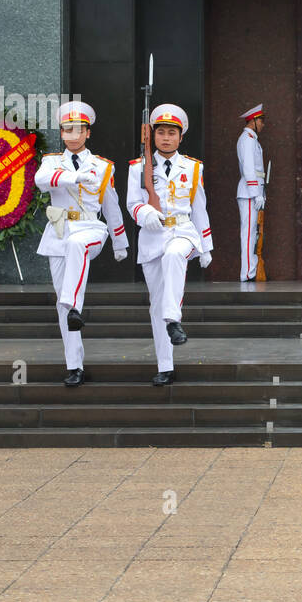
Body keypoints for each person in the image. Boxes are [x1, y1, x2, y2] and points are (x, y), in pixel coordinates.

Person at [34, 100, 129, 387]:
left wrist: (119, 241)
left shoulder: (102, 166)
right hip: (58, 231)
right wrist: (73, 176)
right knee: (62, 308)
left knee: (77, 248)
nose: (73, 135)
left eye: (79, 130)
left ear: (88, 133)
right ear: (62, 133)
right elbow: (40, 180)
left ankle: (74, 304)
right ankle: (74, 365)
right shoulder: (52, 161)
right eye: (67, 130)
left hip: (90, 227)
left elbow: (111, 205)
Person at [127, 103, 213, 386]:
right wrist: (146, 214)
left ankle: (174, 318)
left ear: (180, 137)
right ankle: (166, 366)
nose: (166, 137)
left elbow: (199, 208)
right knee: (156, 306)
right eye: (160, 132)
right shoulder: (138, 167)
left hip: (183, 232)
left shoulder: (193, 167)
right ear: (152, 136)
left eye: (171, 133)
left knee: (175, 254)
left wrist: (207, 246)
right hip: (153, 239)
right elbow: (132, 204)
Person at [236, 103, 266, 281]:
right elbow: (248, 168)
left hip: (254, 191)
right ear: (253, 121)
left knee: (254, 232)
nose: (263, 124)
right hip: (249, 192)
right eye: (261, 120)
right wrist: (255, 193)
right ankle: (247, 271)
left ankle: (251, 270)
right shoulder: (247, 139)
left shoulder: (251, 139)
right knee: (248, 233)